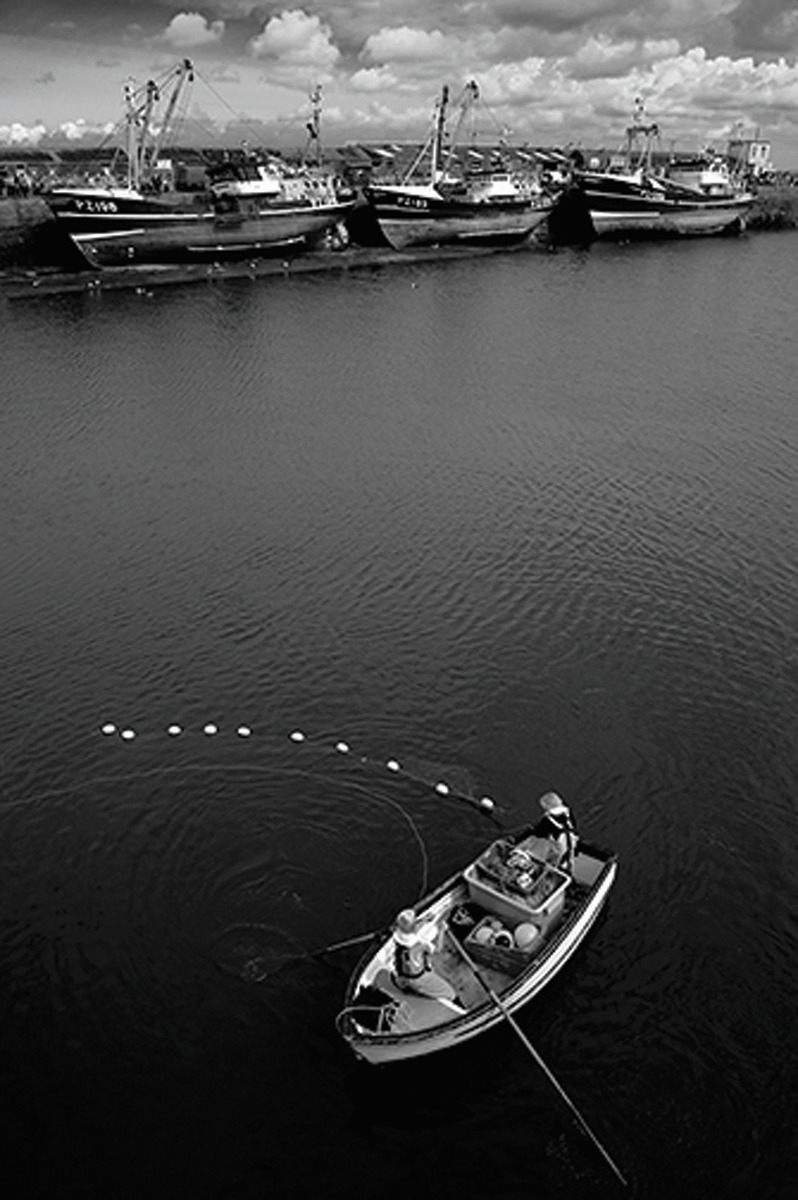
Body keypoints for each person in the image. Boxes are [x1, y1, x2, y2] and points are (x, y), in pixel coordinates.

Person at [392, 909, 460, 1003]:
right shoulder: (420, 944)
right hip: (419, 979)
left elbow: (411, 930)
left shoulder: (398, 938)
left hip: (404, 974)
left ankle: (409, 986)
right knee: (451, 994)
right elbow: (438, 949)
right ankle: (425, 995)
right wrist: (441, 930)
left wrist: (425, 919)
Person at [530, 792, 578, 870]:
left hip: (560, 845)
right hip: (572, 840)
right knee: (568, 856)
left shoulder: (547, 820)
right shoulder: (567, 812)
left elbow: (539, 833)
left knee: (553, 855)